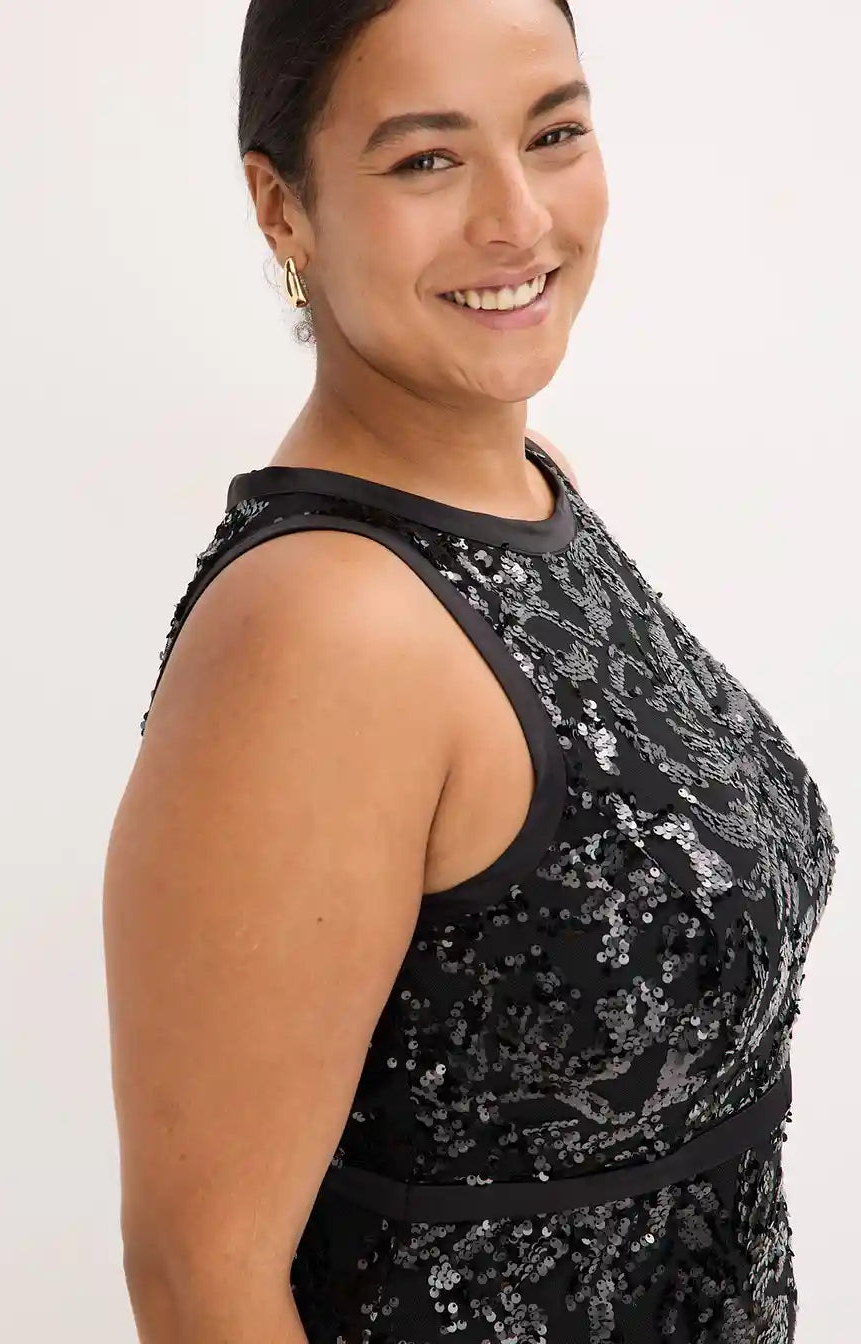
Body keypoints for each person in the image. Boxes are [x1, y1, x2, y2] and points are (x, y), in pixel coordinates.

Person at [102, 1, 838, 1341]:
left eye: (553, 134)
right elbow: (202, 1283)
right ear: (282, 207)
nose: (519, 218)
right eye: (427, 159)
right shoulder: (324, 629)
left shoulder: (526, 490)